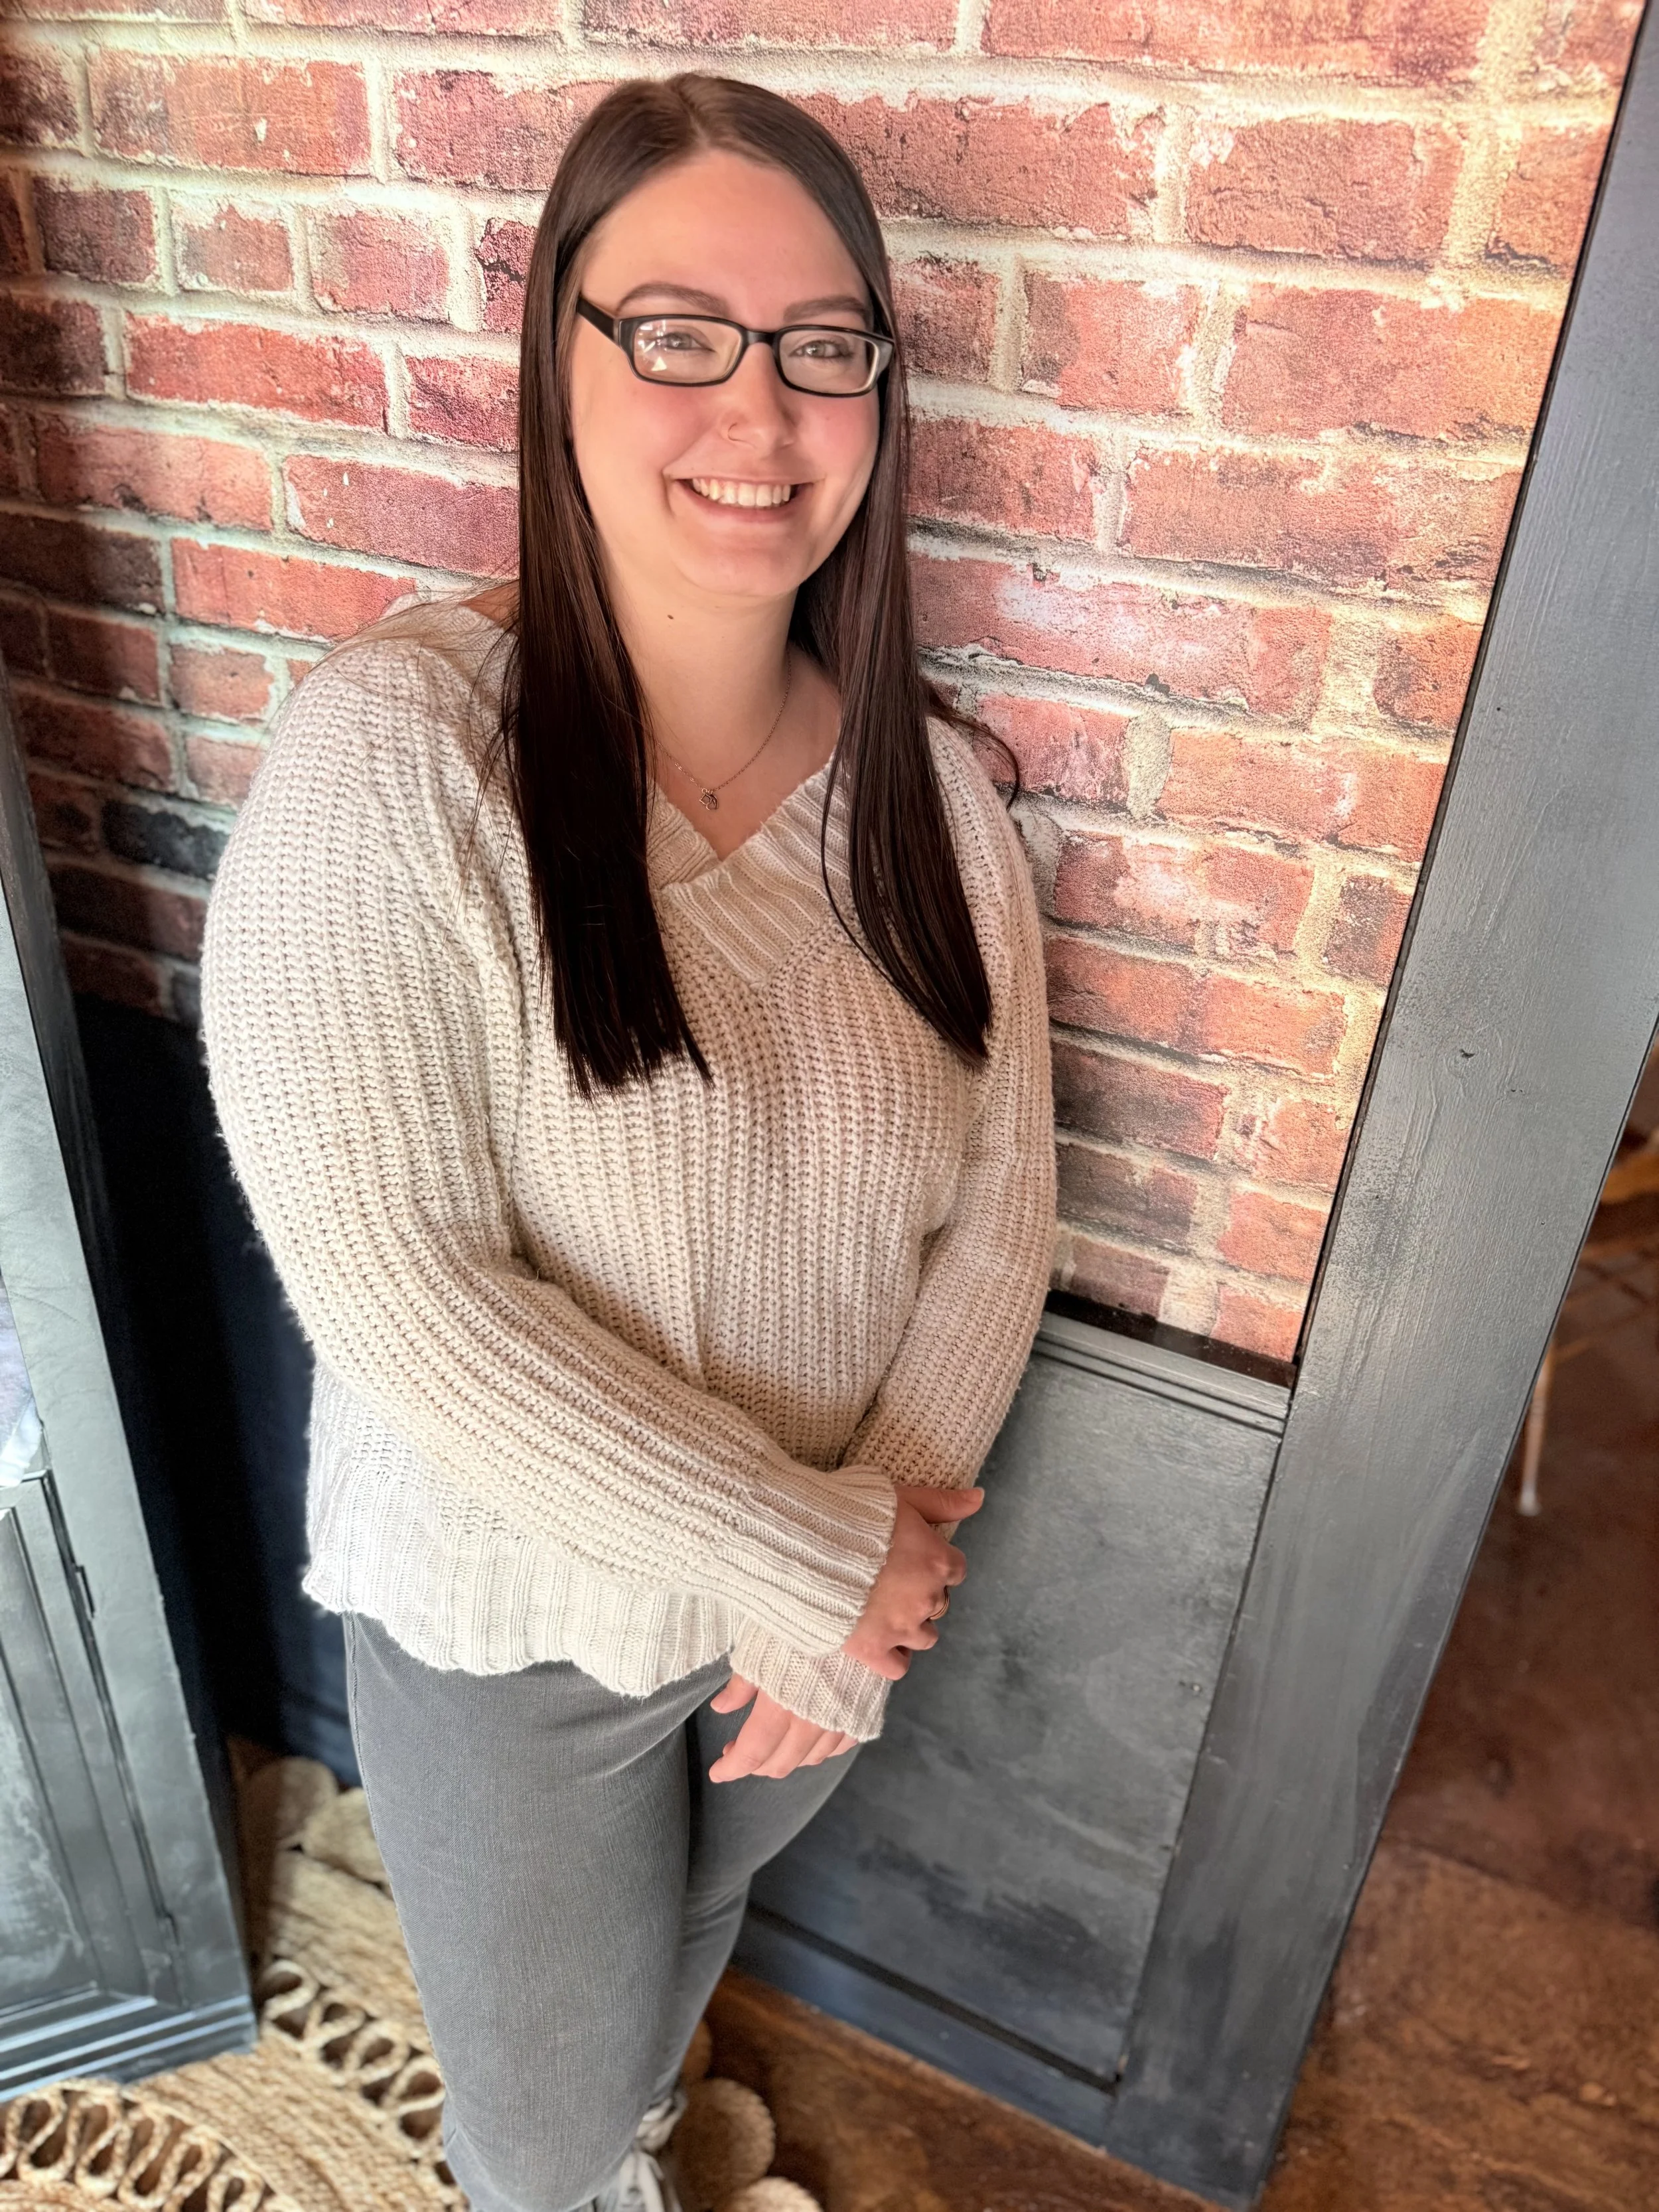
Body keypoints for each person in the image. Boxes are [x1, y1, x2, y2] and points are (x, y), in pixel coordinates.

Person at [202, 71, 1054, 2212]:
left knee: (678, 1951)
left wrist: (851, 1558)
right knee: (538, 2109)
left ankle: (638, 2145)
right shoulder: (392, 760)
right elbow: (397, 1286)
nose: (757, 414)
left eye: (819, 344)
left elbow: (1001, 1203)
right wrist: (806, 1558)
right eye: (676, 331)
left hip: (837, 1579)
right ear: (553, 358)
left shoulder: (936, 801)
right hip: (524, 1620)